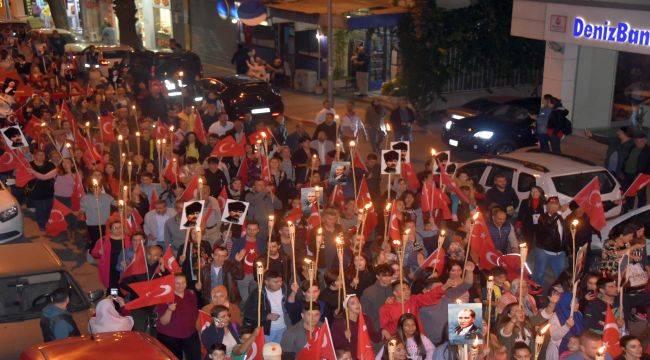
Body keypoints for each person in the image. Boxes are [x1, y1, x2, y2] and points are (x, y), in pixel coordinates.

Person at [155, 273, 201, 360]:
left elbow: (195, 315)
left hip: (190, 334)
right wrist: (169, 310)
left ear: (186, 283)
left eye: (183, 282)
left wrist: (198, 331)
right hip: (170, 336)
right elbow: (163, 322)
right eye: (177, 283)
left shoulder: (191, 294)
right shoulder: (165, 297)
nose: (181, 286)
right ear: (172, 283)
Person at [242, 270, 290, 343]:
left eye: (280, 281)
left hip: (284, 328)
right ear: (266, 282)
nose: (279, 284)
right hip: (267, 331)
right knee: (266, 352)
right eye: (276, 282)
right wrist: (266, 316)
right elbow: (247, 312)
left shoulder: (285, 289)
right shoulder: (258, 293)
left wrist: (294, 293)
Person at [532, 196, 569, 287]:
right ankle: (537, 289)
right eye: (551, 205)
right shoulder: (541, 218)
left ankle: (560, 290)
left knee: (561, 274)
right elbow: (548, 225)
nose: (553, 207)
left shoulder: (560, 218)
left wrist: (566, 248)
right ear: (547, 206)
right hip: (544, 251)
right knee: (539, 273)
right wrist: (559, 212)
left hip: (559, 253)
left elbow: (563, 234)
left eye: (556, 205)